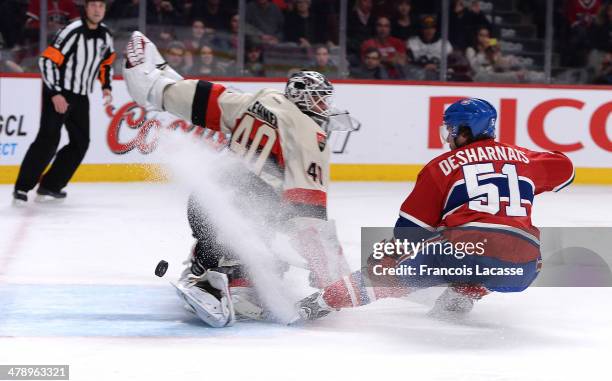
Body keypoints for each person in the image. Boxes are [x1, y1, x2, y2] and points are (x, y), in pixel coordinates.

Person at [123, 31, 357, 327]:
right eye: (321, 101)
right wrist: (328, 269)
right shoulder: (311, 135)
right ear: (304, 99)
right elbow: (309, 209)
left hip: (205, 198)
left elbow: (205, 99)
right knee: (265, 236)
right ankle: (225, 285)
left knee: (247, 242)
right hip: (248, 205)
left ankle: (204, 264)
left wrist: (160, 89)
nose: (325, 108)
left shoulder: (261, 99)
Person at [295, 98, 575, 322]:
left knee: (386, 268)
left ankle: (318, 304)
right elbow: (567, 169)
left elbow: (410, 231)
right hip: (524, 267)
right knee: (501, 249)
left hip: (464, 251)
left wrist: (388, 255)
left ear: (465, 131)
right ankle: (465, 292)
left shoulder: (441, 166)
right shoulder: (526, 159)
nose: (448, 137)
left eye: (451, 130)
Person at [13, 0, 114, 204]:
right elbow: (47, 61)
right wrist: (55, 93)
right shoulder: (72, 31)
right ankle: (22, 188)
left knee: (80, 143)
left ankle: (50, 186)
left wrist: (106, 86)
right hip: (59, 92)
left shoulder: (106, 35)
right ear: (85, 8)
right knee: (48, 140)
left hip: (81, 95)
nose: (97, 10)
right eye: (93, 5)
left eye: (101, 6)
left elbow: (106, 63)